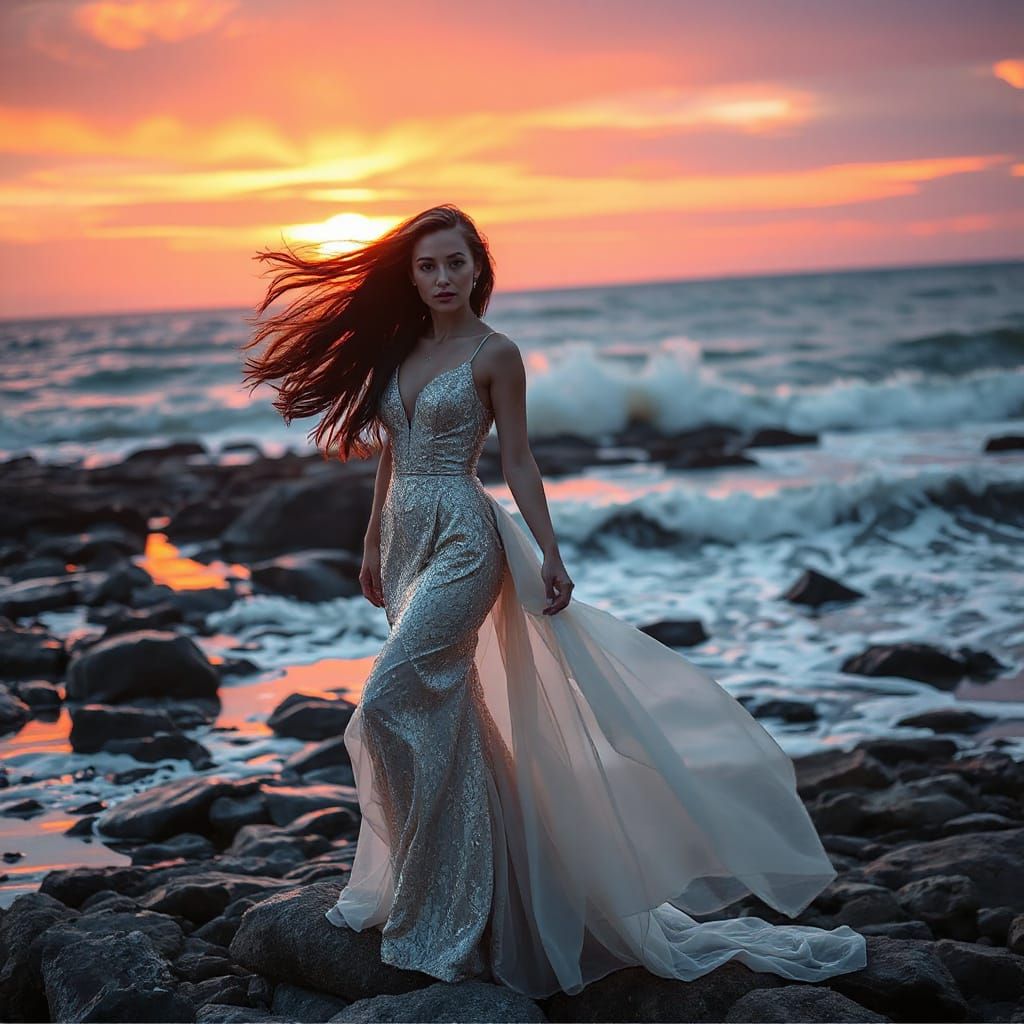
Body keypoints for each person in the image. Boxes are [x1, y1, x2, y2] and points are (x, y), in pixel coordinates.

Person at [242, 203, 868, 999]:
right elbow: (391, 456)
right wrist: (370, 539)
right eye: (427, 265)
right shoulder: (401, 347)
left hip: (467, 540)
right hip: (405, 541)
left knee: (388, 699)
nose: (441, 278)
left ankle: (449, 893)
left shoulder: (496, 354)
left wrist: (551, 553)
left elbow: (521, 462)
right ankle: (454, 887)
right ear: (412, 273)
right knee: (448, 714)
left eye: (455, 264)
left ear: (479, 270)